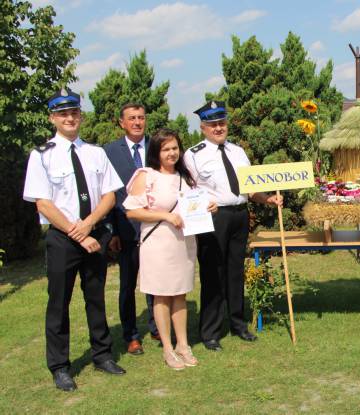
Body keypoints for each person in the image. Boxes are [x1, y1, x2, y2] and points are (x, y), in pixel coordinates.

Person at [23, 87, 126, 392]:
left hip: (94, 234)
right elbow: (43, 204)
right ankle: (59, 366)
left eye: (74, 112)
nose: (70, 118)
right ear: (53, 117)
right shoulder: (41, 156)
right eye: (63, 113)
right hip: (63, 240)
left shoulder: (95, 153)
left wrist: (91, 224)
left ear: (81, 115)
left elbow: (109, 195)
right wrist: (76, 232)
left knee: (95, 298)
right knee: (59, 303)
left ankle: (102, 354)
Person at [184, 101, 282, 351]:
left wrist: (267, 198)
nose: (218, 128)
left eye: (222, 123)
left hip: (239, 215)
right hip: (214, 218)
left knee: (235, 271)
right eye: (213, 124)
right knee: (212, 274)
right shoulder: (193, 155)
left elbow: (248, 188)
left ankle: (238, 324)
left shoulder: (238, 152)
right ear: (203, 127)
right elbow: (189, 192)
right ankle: (210, 332)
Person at [123, 128, 216, 370]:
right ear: (156, 152)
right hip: (158, 244)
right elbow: (131, 211)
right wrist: (164, 216)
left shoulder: (185, 177)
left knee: (180, 293)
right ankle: (167, 348)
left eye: (175, 148)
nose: (172, 153)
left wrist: (208, 207)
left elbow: (194, 205)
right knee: (162, 295)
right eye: (166, 149)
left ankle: (183, 345)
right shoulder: (146, 175)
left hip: (183, 244)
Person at [104, 103, 159, 355]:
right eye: (132, 118)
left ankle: (157, 325)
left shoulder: (156, 146)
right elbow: (108, 194)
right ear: (122, 123)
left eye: (141, 118)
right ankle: (131, 335)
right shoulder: (109, 152)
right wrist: (112, 231)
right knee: (127, 284)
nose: (137, 122)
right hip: (125, 228)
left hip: (155, 226)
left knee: (154, 280)